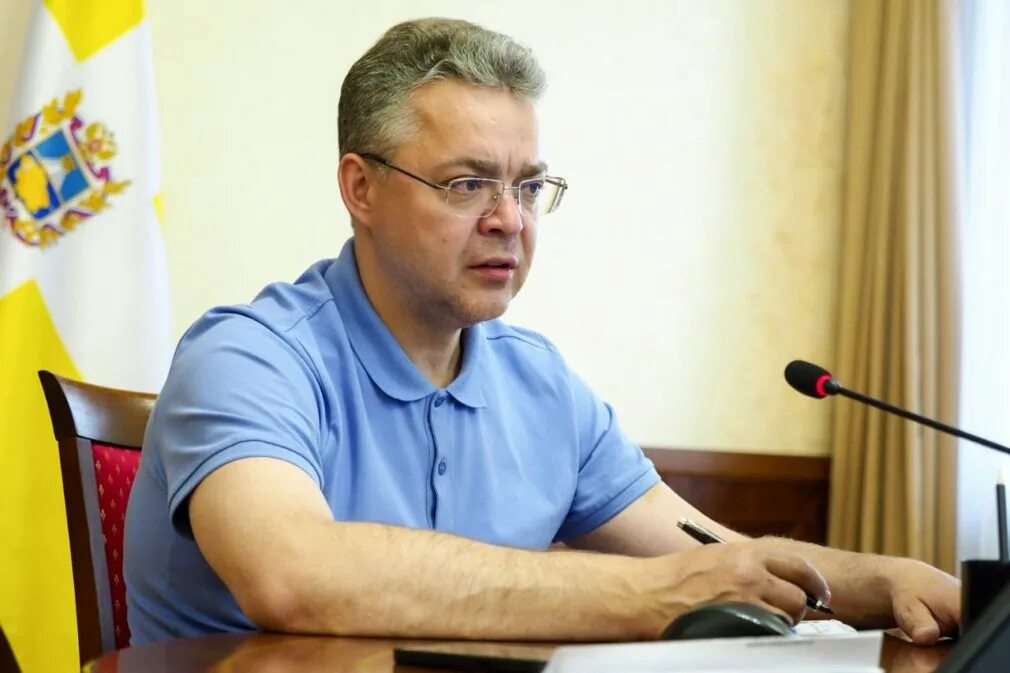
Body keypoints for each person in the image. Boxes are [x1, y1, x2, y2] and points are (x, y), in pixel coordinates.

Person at [123, 17, 959, 646]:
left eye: (528, 186)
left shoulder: (540, 384)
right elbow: (293, 575)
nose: (509, 220)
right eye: (467, 184)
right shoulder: (246, 356)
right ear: (361, 188)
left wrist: (889, 579)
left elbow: (721, 557)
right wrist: (652, 595)